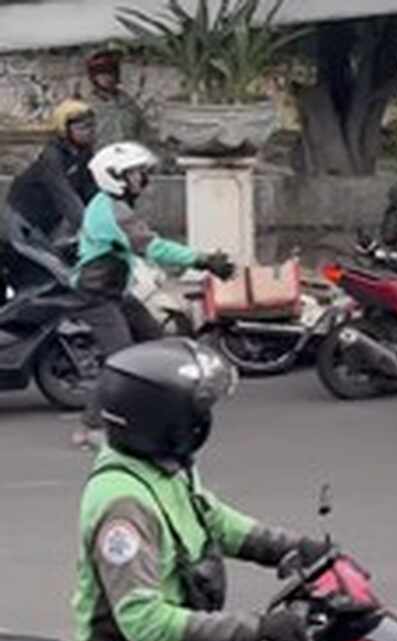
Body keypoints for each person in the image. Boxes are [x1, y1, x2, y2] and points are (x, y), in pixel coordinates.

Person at [72, 338, 330, 641]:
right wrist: (260, 629)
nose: (204, 420)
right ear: (161, 421)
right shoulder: (124, 506)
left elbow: (215, 521)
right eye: (196, 412)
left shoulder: (162, 465)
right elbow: (143, 622)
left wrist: (294, 547)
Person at [72, 142, 235, 451]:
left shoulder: (110, 205)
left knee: (155, 342)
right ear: (115, 177)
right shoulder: (114, 212)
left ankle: (155, 409)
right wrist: (202, 260)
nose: (143, 179)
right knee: (120, 358)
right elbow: (153, 247)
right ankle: (90, 426)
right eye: (136, 173)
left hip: (115, 292)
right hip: (96, 296)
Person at [1, 99, 98, 293]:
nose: (89, 131)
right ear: (64, 129)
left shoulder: (83, 154)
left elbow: (92, 191)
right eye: (82, 127)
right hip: (24, 222)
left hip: (48, 225)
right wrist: (90, 230)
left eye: (91, 126)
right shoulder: (52, 157)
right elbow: (65, 196)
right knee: (49, 273)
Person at [85, 49, 150, 150]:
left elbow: (143, 132)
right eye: (101, 74)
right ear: (94, 77)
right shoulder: (87, 105)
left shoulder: (128, 103)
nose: (107, 78)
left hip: (130, 153)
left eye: (110, 73)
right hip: (101, 156)